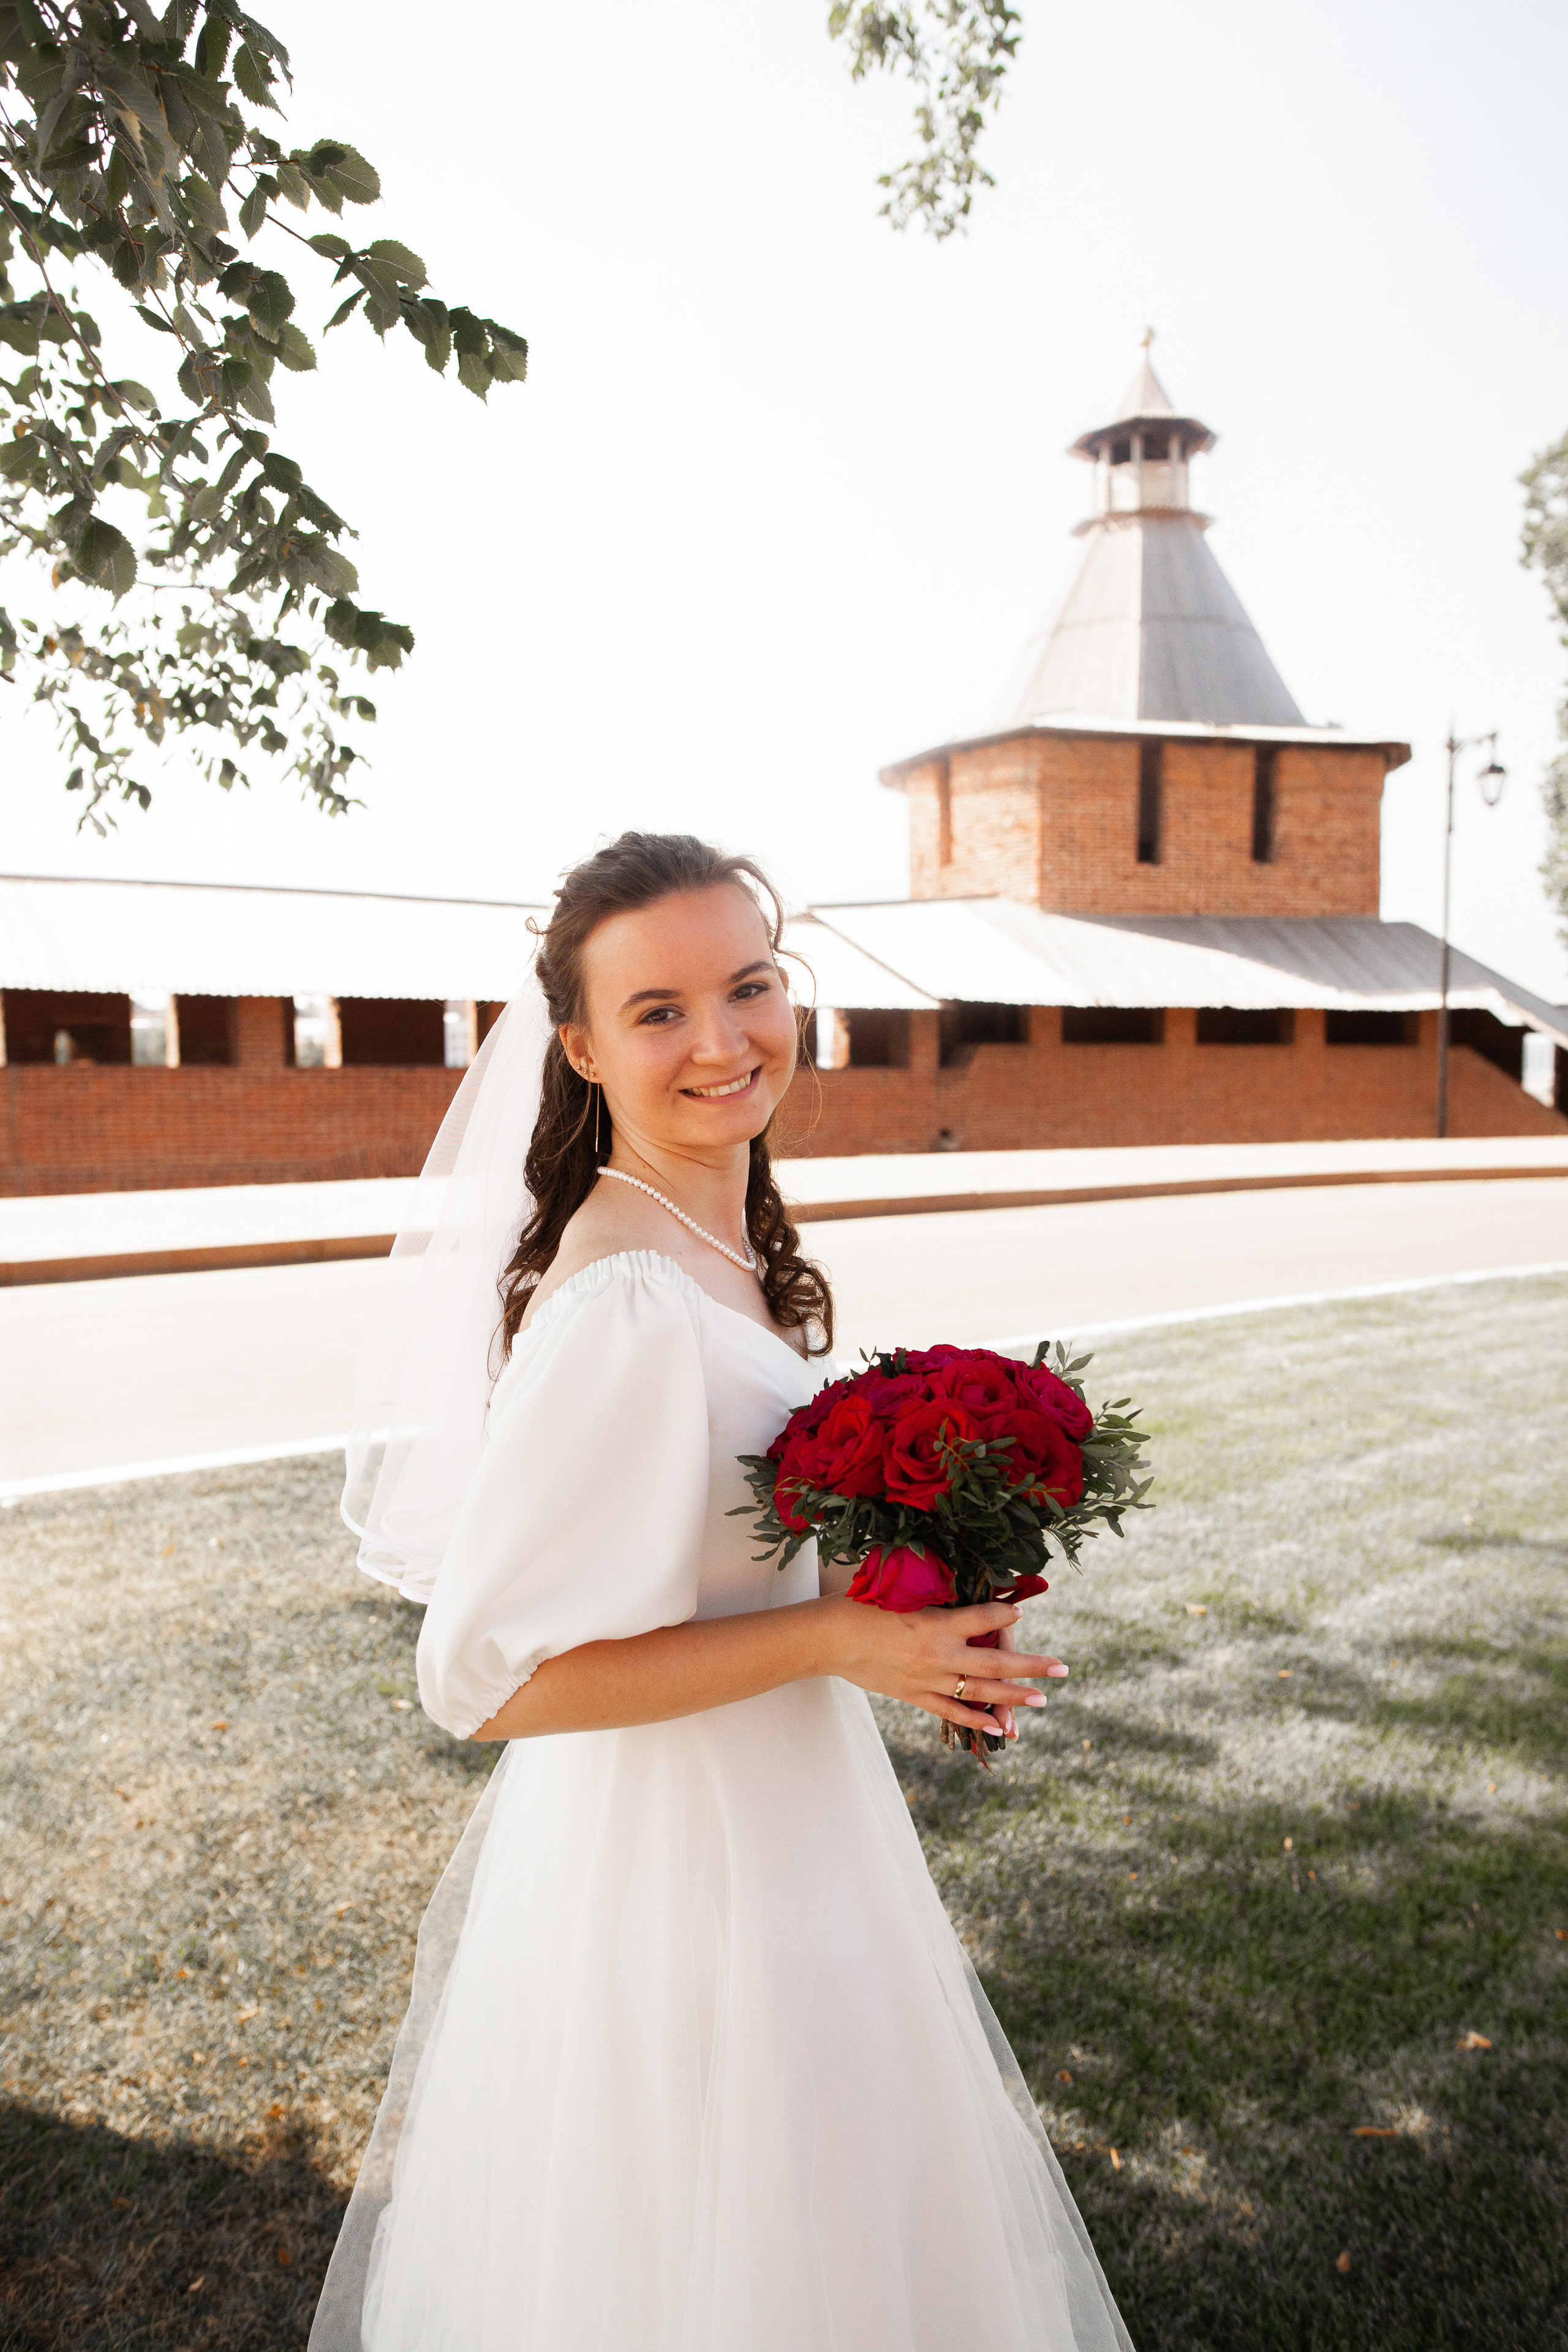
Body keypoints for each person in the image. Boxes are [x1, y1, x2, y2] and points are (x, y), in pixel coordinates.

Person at [311, 832, 1134, 2352]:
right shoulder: (623, 1291)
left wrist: (916, 1593)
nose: (722, 1039)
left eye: (748, 986)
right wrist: (834, 1637)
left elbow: (714, 1544)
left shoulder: (716, 1243)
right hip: (687, 1878)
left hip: (792, 1828)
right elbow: (485, 1682)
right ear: (578, 1045)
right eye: (659, 1010)